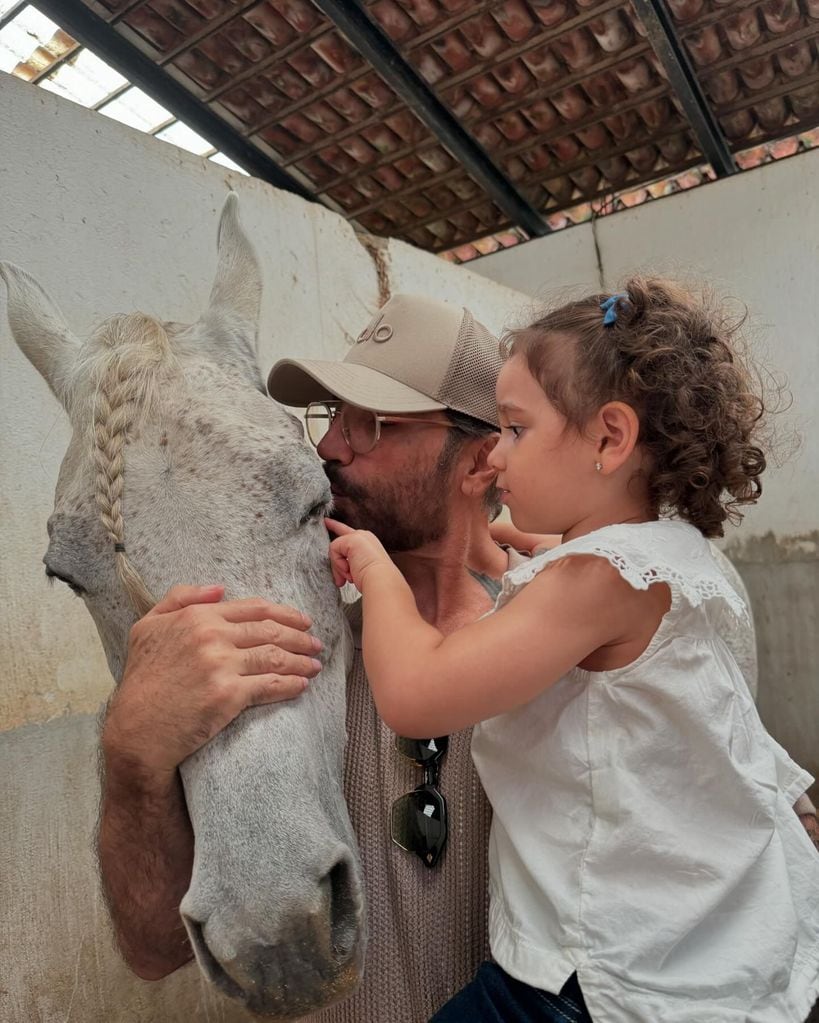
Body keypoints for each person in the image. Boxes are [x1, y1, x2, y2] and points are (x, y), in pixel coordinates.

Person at [99, 291, 818, 1023]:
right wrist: (131, 750)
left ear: (482, 461)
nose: (326, 450)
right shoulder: (279, 650)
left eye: (370, 423)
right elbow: (154, 951)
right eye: (330, 417)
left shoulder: (575, 629)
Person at [325, 279, 819, 1022]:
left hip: (590, 981)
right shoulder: (663, 558)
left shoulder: (589, 581)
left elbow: (416, 690)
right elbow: (562, 587)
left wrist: (374, 572)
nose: (494, 455)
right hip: (684, 959)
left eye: (517, 429)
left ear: (609, 439)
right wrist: (522, 563)